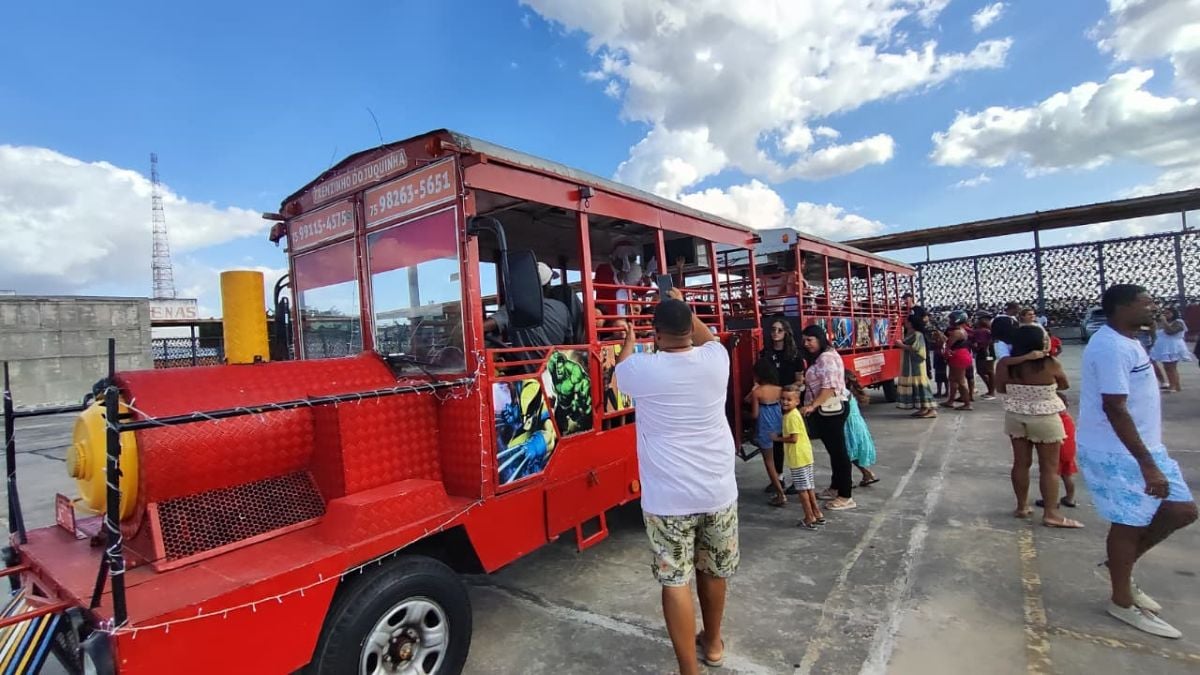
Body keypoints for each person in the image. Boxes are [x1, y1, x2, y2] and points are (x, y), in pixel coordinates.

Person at [614, 287, 738, 672]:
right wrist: (682, 302)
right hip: (717, 488)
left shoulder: (641, 368)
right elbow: (707, 337)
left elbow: (619, 375)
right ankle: (713, 643)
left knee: (675, 581)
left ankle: (689, 669)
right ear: (689, 326)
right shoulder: (717, 358)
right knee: (714, 569)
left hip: (667, 499)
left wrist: (630, 342)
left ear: (655, 333)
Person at [1077, 285, 1197, 639]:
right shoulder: (1110, 346)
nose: (1153, 308)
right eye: (1146, 303)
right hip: (1118, 451)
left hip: (1144, 446)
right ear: (1122, 307)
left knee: (1182, 510)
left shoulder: (1129, 341)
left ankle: (1118, 567)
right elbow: (1114, 406)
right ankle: (1122, 602)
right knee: (1129, 523)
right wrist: (1146, 462)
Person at [995, 325, 1083, 529]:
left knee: (1020, 464)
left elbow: (1000, 388)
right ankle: (1051, 513)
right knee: (1049, 468)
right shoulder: (1051, 363)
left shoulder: (1006, 365)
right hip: (1045, 417)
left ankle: (1021, 506)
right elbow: (1064, 385)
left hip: (1016, 416)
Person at [800, 325, 855, 511]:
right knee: (834, 451)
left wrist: (812, 405)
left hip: (830, 410)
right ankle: (836, 487)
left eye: (810, 340)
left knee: (839, 452)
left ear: (820, 339)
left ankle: (846, 495)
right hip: (826, 410)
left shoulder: (826, 358)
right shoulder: (824, 356)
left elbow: (830, 387)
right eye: (804, 340)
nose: (806, 344)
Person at [482, 261, 573, 353]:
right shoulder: (562, 308)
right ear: (548, 285)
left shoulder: (515, 307)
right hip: (554, 365)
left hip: (527, 366)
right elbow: (569, 342)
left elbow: (483, 327)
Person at [760, 319, 804, 492]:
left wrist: (788, 393)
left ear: (786, 332)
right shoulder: (766, 354)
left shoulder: (794, 355)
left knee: (794, 442)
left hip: (788, 403)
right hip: (772, 405)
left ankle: (798, 481)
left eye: (779, 330)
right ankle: (778, 478)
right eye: (773, 329)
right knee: (776, 442)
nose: (775, 332)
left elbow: (799, 381)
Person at [777, 386, 824, 529]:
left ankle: (809, 517)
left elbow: (793, 438)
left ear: (797, 401)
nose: (785, 402)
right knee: (809, 486)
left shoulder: (789, 417)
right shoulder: (795, 413)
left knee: (802, 489)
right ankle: (817, 513)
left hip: (798, 457)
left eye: (789, 399)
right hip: (805, 454)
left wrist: (777, 438)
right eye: (783, 399)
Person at [747, 358, 787, 507]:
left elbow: (755, 415)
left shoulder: (757, 392)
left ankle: (780, 493)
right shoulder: (779, 389)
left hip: (764, 428)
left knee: (769, 462)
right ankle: (781, 488)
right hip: (778, 425)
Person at [895, 314, 937, 418]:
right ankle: (923, 408)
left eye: (907, 321)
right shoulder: (911, 333)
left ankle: (931, 409)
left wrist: (901, 345)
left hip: (917, 366)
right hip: (910, 365)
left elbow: (917, 349)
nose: (905, 323)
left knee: (922, 387)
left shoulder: (918, 334)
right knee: (917, 387)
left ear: (911, 323)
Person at [844, 371, 880, 487]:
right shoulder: (852, 393)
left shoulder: (845, 394)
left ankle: (847, 480)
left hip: (849, 426)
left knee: (847, 453)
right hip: (857, 425)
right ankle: (867, 473)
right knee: (853, 453)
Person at [1149, 307, 1192, 393]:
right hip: (1164, 347)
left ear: (1174, 313)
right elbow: (1155, 332)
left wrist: (1164, 321)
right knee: (1168, 367)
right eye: (1165, 313)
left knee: (1170, 367)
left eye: (1168, 313)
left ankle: (1173, 386)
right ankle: (1176, 385)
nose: (1166, 315)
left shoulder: (1179, 322)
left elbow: (1170, 331)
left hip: (1172, 347)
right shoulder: (1163, 323)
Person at [942, 311, 974, 411]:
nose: (950, 321)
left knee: (960, 381)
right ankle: (950, 401)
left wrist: (941, 338)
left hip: (959, 356)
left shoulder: (957, 332)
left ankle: (967, 404)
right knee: (952, 378)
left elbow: (948, 344)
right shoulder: (961, 330)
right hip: (960, 354)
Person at [973, 315, 997, 400]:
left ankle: (991, 391)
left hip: (985, 353)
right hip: (988, 353)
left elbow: (980, 343)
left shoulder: (981, 331)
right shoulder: (988, 331)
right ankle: (991, 390)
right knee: (987, 371)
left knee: (986, 371)